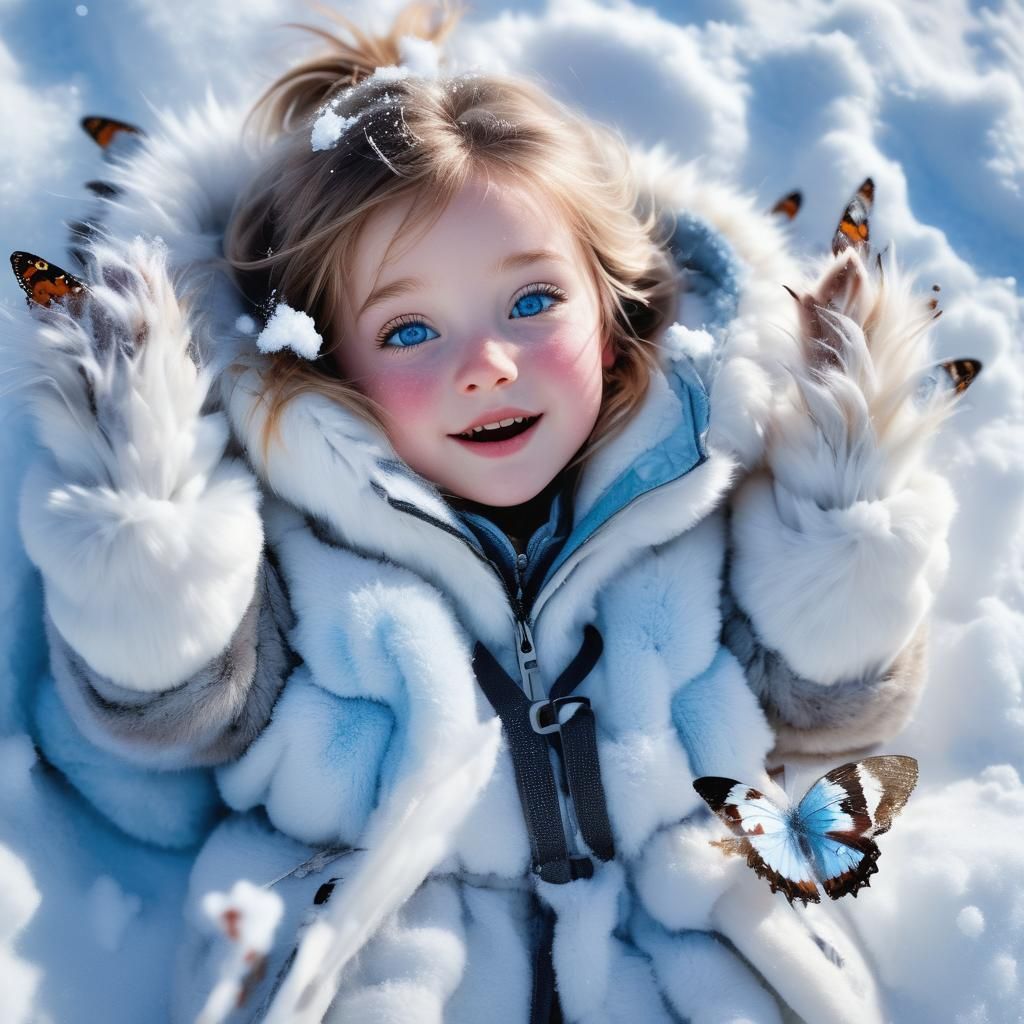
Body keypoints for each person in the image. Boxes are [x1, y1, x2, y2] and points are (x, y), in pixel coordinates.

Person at [10, 4, 959, 1021]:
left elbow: (824, 706)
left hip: (681, 947)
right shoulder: (299, 549)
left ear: (616, 306)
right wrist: (146, 538)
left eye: (532, 302)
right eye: (411, 327)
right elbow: (163, 737)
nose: (486, 364)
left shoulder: (690, 500)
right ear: (328, 358)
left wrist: (840, 505)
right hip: (384, 949)